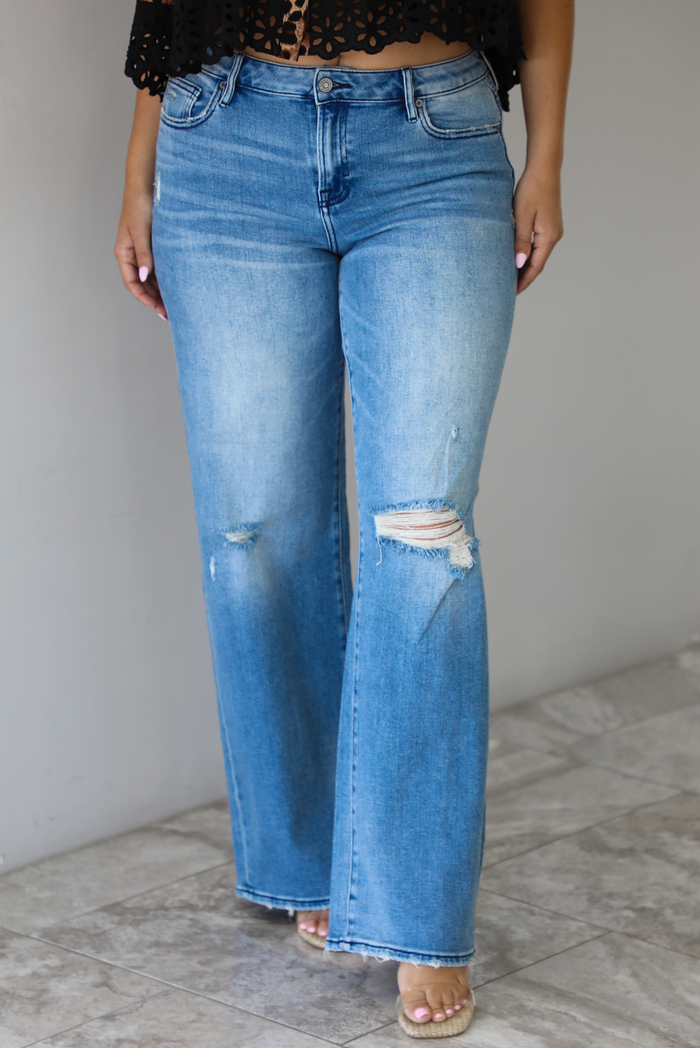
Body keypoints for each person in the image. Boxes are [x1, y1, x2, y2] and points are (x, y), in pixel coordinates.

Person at [115, 0, 573, 1037]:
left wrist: (544, 155)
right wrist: (139, 166)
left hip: (433, 137)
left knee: (424, 535)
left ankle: (415, 914)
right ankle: (319, 852)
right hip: (220, 135)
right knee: (257, 535)